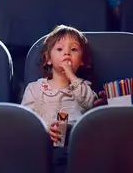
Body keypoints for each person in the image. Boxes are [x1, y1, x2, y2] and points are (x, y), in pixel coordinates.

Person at [21, 25, 97, 173]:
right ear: (48, 58)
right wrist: (45, 130)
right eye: (60, 49)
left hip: (76, 149)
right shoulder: (34, 88)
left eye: (73, 50)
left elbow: (91, 105)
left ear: (82, 61)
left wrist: (71, 76)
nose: (67, 53)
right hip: (44, 148)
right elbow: (25, 122)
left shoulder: (82, 87)